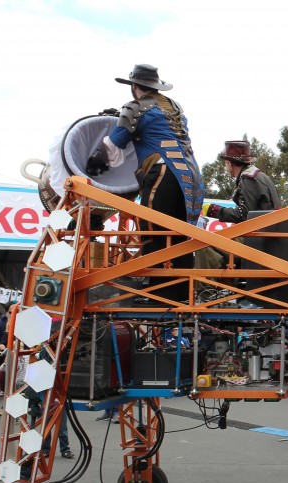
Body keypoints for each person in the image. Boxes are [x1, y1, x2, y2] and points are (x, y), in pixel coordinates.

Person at [92, 64, 205, 304]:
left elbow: (113, 146)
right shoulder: (174, 107)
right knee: (181, 237)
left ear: (134, 87)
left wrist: (96, 160)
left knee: (152, 232)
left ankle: (158, 296)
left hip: (164, 173)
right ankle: (182, 296)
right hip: (192, 177)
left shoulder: (135, 107)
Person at [197, 140, 281, 270]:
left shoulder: (248, 179)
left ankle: (205, 289)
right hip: (265, 237)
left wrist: (213, 210)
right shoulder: (260, 176)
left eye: (225, 163)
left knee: (203, 245)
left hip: (256, 239)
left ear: (229, 163)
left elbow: (244, 215)